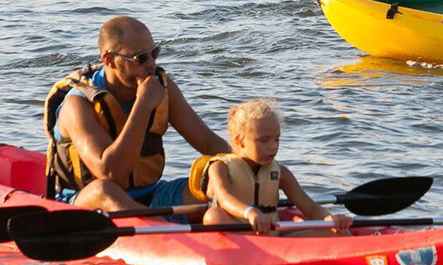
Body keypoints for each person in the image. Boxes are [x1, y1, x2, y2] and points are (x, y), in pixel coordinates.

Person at [45, 16, 229, 212]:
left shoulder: (162, 88)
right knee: (104, 190)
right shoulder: (78, 104)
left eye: (154, 53)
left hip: (152, 195)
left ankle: (165, 222)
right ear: (109, 60)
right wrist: (143, 105)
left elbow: (209, 143)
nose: (150, 64)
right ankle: (159, 226)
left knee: (215, 177)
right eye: (139, 58)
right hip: (88, 204)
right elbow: (110, 173)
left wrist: (252, 165)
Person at [186, 100, 351, 235]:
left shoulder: (281, 173)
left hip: (272, 235)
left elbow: (310, 207)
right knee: (213, 216)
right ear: (239, 141)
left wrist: (330, 218)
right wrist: (250, 213)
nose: (273, 147)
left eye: (276, 139)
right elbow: (225, 199)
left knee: (338, 231)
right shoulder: (220, 167)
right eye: (264, 140)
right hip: (238, 231)